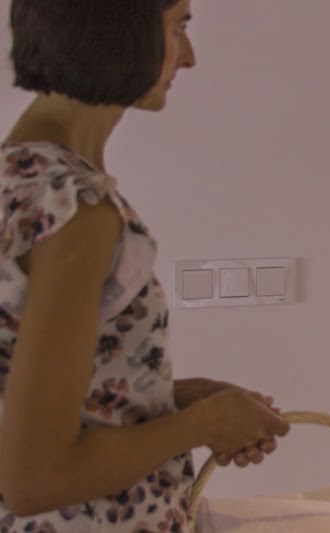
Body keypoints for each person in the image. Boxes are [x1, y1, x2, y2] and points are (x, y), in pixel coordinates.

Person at [0, 1, 289, 530]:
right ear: (117, 27)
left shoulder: (23, 178)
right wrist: (202, 424)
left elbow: (25, 403)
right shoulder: (75, 211)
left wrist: (169, 400)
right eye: (179, 25)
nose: (190, 57)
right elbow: (36, 478)